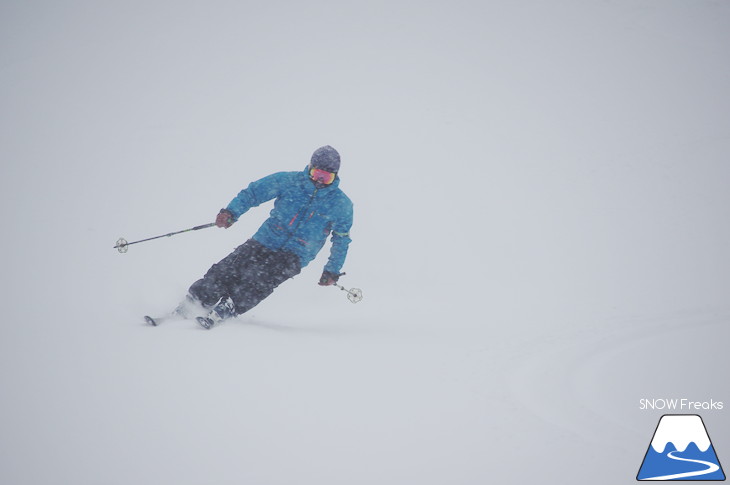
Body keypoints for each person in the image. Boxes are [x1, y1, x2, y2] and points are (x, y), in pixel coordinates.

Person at [179, 145, 353, 327]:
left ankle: (229, 307)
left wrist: (332, 270)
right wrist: (231, 212)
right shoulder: (289, 181)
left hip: (296, 254)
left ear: (335, 177)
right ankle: (196, 300)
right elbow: (253, 193)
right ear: (309, 168)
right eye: (317, 174)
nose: (319, 181)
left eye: (327, 177)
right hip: (265, 240)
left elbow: (341, 240)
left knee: (260, 279)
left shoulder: (341, 205)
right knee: (229, 268)